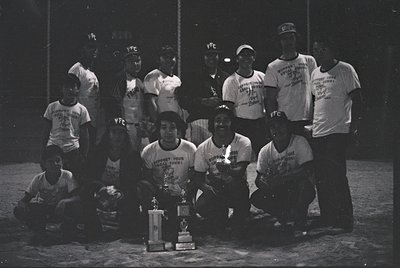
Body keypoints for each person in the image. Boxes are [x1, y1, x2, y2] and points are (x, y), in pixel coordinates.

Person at [310, 35, 363, 232]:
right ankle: (328, 217)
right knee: (321, 178)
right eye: (316, 50)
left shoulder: (345, 69)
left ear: (331, 50)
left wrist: (354, 127)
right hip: (319, 132)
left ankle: (345, 219)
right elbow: (318, 102)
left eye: (322, 49)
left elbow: (357, 99)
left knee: (337, 176)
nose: (318, 53)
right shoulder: (315, 73)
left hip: (337, 131)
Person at [250, 111, 315, 235]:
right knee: (257, 197)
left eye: (281, 125)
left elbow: (308, 170)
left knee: (305, 187)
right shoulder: (265, 151)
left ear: (287, 126)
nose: (277, 129)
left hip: (297, 187)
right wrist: (264, 182)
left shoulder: (299, 141)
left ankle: (299, 218)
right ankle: (284, 215)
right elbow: (258, 178)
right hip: (280, 189)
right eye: (273, 126)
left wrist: (283, 178)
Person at [193, 105, 252, 236]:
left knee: (234, 183)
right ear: (212, 123)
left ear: (231, 122)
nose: (221, 124)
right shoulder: (203, 147)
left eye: (226, 120)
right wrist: (205, 187)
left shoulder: (243, 142)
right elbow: (198, 176)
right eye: (218, 120)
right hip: (217, 186)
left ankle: (240, 214)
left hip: (236, 185)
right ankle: (221, 215)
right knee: (201, 206)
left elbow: (240, 171)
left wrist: (228, 170)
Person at [80, 117, 143, 240]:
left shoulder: (132, 156)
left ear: (126, 136)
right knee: (85, 192)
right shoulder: (97, 152)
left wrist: (121, 192)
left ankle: (126, 231)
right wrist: (100, 188)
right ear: (108, 134)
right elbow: (87, 176)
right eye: (114, 132)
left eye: (121, 133)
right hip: (99, 190)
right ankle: (92, 232)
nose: (117, 136)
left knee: (134, 195)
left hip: (121, 192)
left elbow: (134, 181)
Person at [140, 111, 196, 238]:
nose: (168, 132)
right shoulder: (149, 151)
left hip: (180, 195)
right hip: (159, 194)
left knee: (184, 227)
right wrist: (158, 189)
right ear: (158, 130)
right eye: (164, 128)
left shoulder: (190, 149)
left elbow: (194, 177)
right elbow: (147, 179)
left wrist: (185, 194)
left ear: (178, 130)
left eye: (172, 127)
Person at [14, 145, 81, 239]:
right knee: (18, 210)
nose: (54, 164)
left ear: (63, 161)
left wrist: (63, 202)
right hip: (44, 209)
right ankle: (39, 228)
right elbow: (25, 199)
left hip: (60, 209)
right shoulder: (38, 178)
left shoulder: (67, 175)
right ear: (44, 164)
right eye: (50, 161)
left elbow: (77, 196)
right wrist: (22, 206)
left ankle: (65, 227)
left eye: (58, 160)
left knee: (76, 207)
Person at [264, 22, 317, 136]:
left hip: (307, 118)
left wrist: (316, 117)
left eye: (291, 38)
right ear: (280, 41)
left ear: (296, 39)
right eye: (284, 39)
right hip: (285, 121)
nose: (289, 42)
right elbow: (270, 99)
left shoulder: (309, 61)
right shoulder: (273, 67)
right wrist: (275, 123)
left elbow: (316, 92)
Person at [178, 42, 229, 146]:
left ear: (218, 56)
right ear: (203, 57)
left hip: (220, 123)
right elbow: (183, 100)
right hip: (199, 122)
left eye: (214, 54)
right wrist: (203, 101)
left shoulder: (226, 77)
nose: (212, 58)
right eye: (208, 55)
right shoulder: (193, 76)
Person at [41, 73, 90, 181]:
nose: (71, 90)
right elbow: (45, 131)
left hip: (72, 150)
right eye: (67, 87)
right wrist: (42, 152)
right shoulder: (52, 107)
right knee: (53, 179)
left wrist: (83, 155)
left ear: (78, 90)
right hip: (54, 147)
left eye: (74, 87)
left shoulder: (82, 110)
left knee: (72, 181)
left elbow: (85, 136)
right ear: (62, 89)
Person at [222, 44, 267, 156]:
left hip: (259, 123)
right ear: (237, 59)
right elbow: (229, 108)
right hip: (241, 124)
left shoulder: (261, 76)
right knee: (243, 156)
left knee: (261, 154)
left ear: (254, 58)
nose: (246, 58)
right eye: (242, 55)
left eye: (249, 55)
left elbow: (267, 99)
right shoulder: (230, 81)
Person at [107, 45, 149, 151]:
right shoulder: (120, 79)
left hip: (139, 127)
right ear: (124, 63)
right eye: (131, 61)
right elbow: (115, 104)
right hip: (126, 126)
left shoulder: (140, 81)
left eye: (138, 60)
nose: (135, 64)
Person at [143, 45, 186, 140]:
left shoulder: (177, 79)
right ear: (159, 59)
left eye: (172, 57)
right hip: (162, 125)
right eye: (165, 57)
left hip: (175, 125)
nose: (169, 60)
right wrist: (158, 124)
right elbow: (151, 102)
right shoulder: (153, 76)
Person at [68, 32, 100, 149]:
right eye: (90, 47)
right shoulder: (76, 70)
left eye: (95, 47)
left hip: (92, 122)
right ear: (82, 49)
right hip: (80, 124)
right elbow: (69, 99)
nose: (94, 50)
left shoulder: (91, 72)